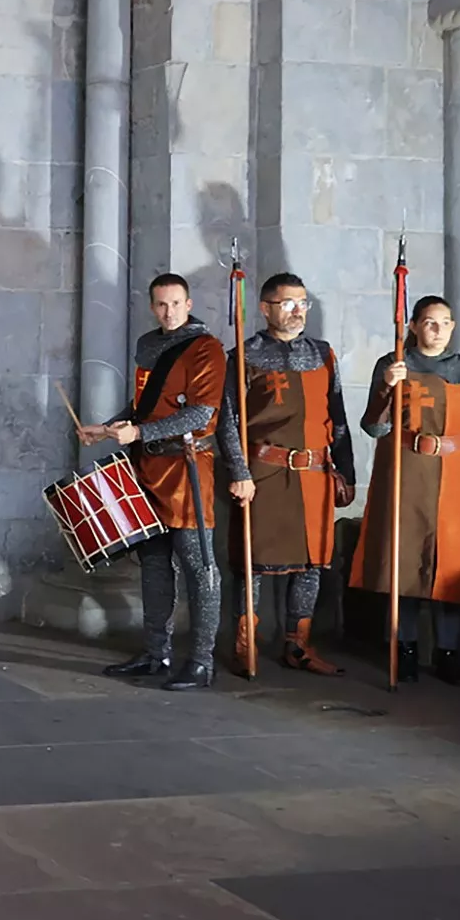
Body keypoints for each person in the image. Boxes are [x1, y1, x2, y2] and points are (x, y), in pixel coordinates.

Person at [78, 273, 226, 690]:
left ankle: (202, 662)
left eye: (176, 303)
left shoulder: (206, 348)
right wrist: (107, 428)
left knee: (199, 566)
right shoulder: (148, 345)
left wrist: (139, 433)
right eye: (161, 304)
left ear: (189, 304)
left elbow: (201, 413)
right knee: (154, 564)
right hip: (148, 467)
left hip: (187, 469)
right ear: (152, 307)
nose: (169, 311)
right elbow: (143, 404)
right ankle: (156, 653)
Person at [349, 295, 460, 685]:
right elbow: (375, 427)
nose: (438, 330)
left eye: (445, 323)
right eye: (430, 322)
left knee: (452, 566)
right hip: (408, 472)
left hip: (458, 476)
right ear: (413, 325)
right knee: (406, 561)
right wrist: (387, 387)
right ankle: (405, 648)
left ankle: (449, 653)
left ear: (453, 327)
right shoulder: (394, 364)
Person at [217, 273, 356, 676]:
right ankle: (245, 644)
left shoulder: (323, 355)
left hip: (315, 473)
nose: (298, 311)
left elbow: (338, 417)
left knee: (312, 562)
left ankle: (298, 646)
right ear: (265, 308)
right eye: (288, 303)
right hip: (264, 472)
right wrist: (239, 471)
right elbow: (227, 421)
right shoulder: (244, 356)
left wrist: (346, 471)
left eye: (303, 303)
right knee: (254, 562)